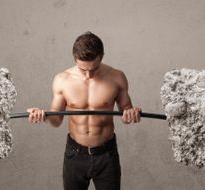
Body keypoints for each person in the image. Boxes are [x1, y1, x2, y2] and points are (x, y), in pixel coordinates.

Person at [27, 31, 141, 190]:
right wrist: (43, 116)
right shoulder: (62, 80)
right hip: (75, 154)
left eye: (93, 69)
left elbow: (126, 113)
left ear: (101, 57)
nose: (88, 75)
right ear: (75, 59)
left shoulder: (117, 77)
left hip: (106, 155)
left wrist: (131, 114)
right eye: (82, 69)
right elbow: (56, 120)